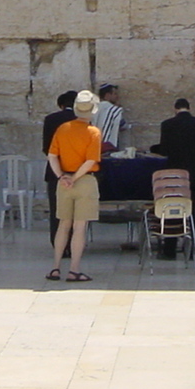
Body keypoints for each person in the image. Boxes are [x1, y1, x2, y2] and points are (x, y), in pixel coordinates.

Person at [47, 89, 103, 283]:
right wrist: (75, 177)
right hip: (84, 180)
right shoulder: (93, 132)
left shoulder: (63, 128)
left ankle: (55, 267)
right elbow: (90, 161)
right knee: (80, 227)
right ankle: (74, 269)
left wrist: (62, 176)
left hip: (63, 182)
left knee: (63, 224)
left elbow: (52, 155)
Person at [156, 98, 195, 212]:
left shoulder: (167, 124)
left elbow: (164, 150)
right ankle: (193, 226)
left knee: (174, 202)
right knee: (193, 202)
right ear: (189, 108)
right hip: (194, 170)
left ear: (175, 109)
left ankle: (177, 226)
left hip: (175, 171)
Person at [43, 90, 80, 244]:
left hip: (55, 170)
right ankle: (73, 244)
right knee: (76, 211)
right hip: (77, 171)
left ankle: (58, 243)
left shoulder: (50, 119)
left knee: (57, 209)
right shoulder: (83, 119)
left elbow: (47, 147)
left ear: (61, 105)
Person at [95, 84, 125, 152]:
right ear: (107, 95)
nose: (117, 97)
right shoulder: (114, 110)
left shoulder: (93, 108)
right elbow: (123, 125)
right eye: (115, 94)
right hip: (108, 147)